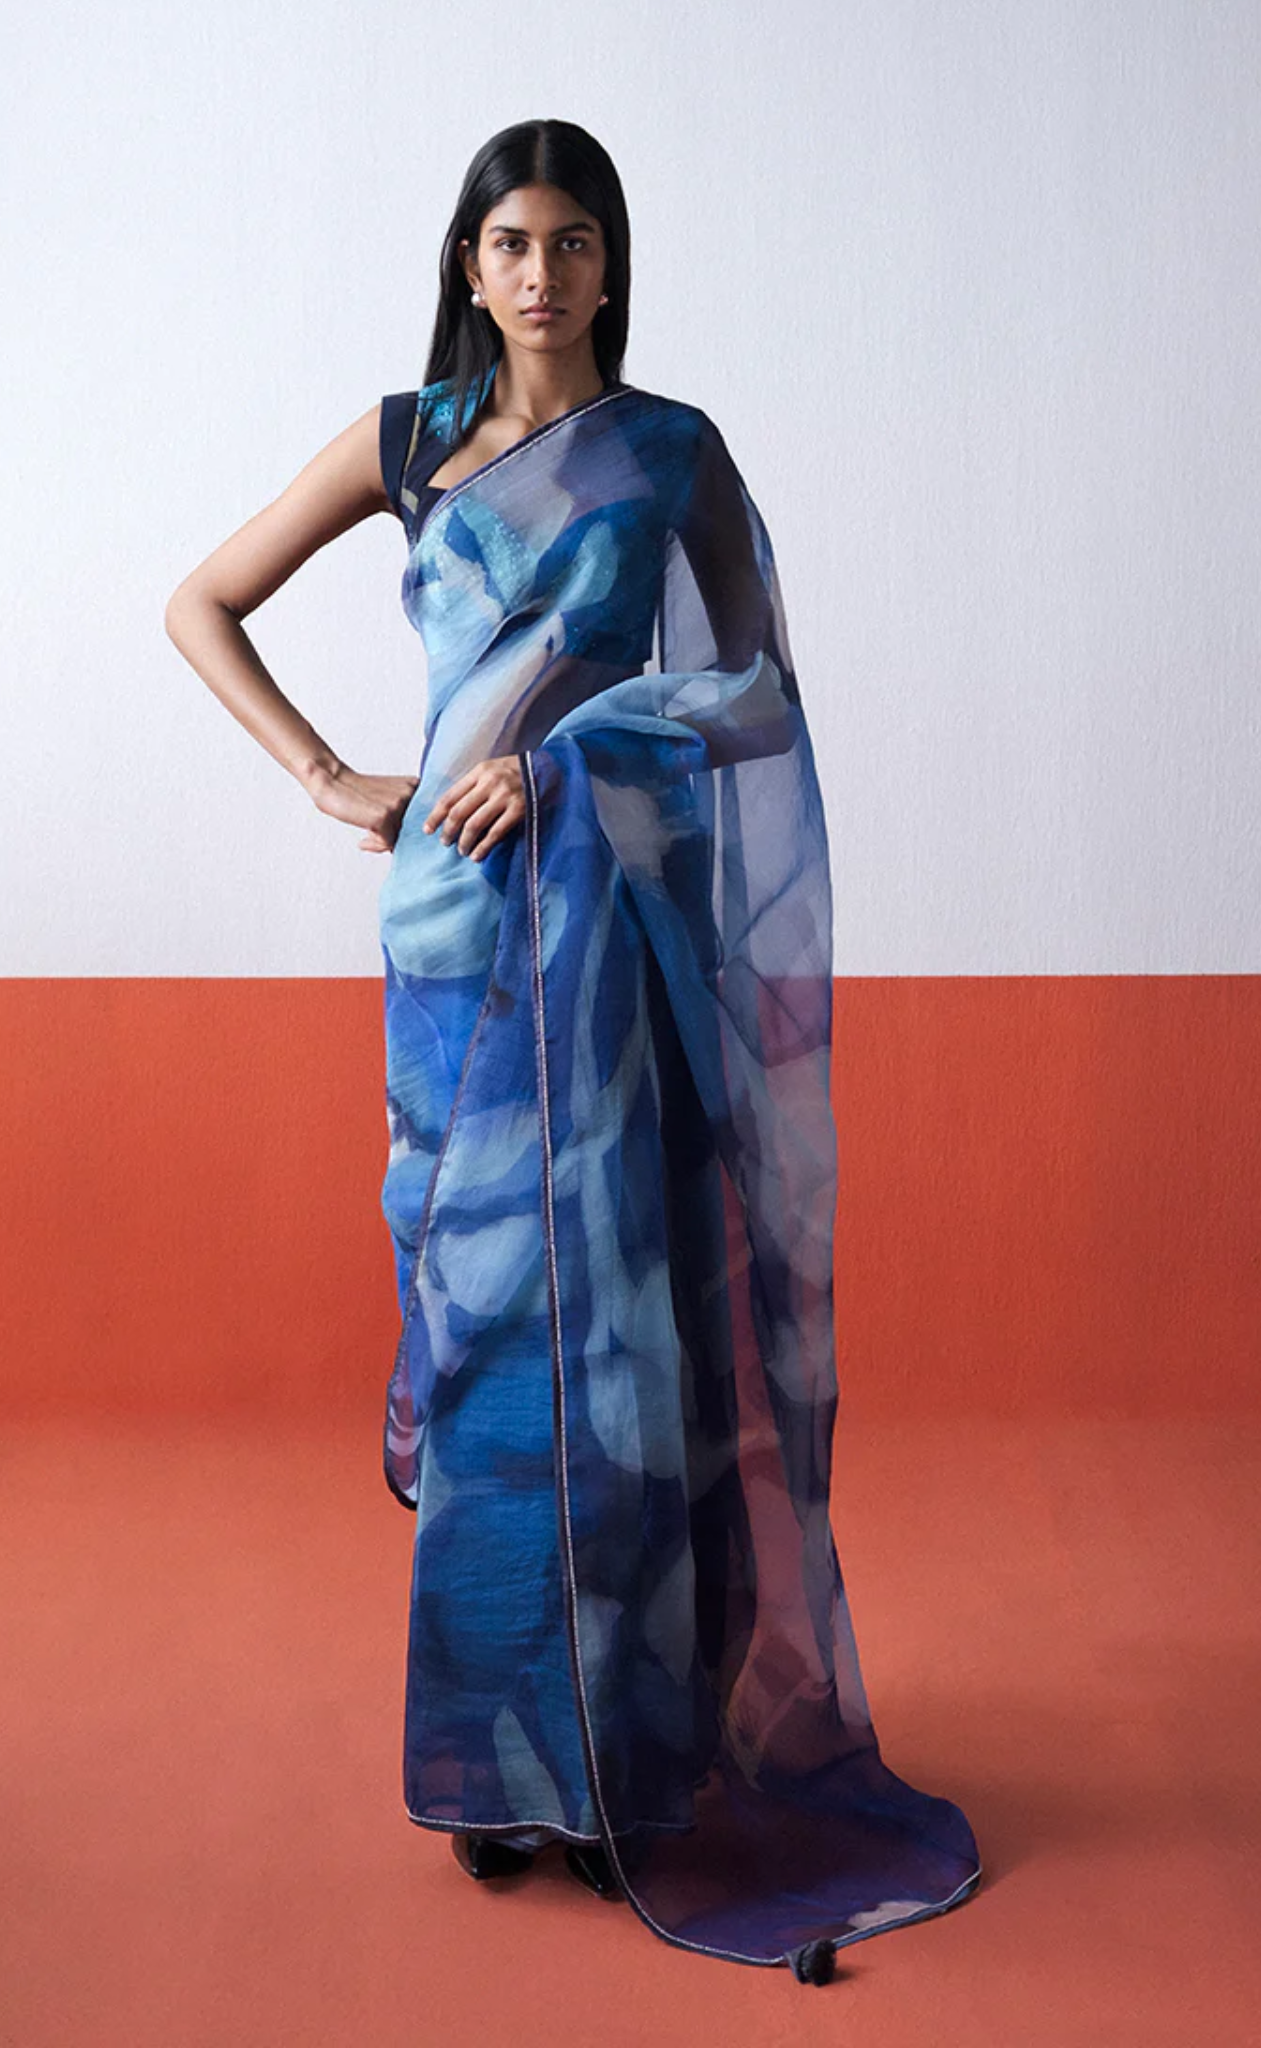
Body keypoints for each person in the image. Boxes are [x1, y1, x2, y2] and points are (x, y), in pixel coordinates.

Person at [164, 116, 981, 1986]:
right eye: (511, 242)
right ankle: (495, 1768)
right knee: (483, 1350)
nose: (542, 274)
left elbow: (756, 693)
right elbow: (197, 600)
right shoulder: (405, 445)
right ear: (470, 266)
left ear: (612, 262)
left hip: (618, 931)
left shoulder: (669, 453)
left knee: (624, 1346)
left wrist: (578, 746)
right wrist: (329, 776)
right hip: (455, 946)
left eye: (574, 241)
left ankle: (623, 1769)